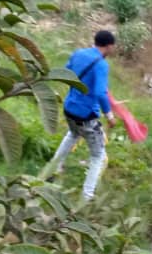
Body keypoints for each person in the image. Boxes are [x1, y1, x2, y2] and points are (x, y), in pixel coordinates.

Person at [48, 30, 118, 200]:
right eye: (113, 47)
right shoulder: (102, 64)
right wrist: (109, 115)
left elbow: (67, 73)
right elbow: (100, 93)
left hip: (69, 108)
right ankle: (87, 196)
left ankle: (53, 169)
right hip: (86, 115)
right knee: (98, 156)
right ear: (109, 46)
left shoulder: (79, 53)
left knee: (73, 134)